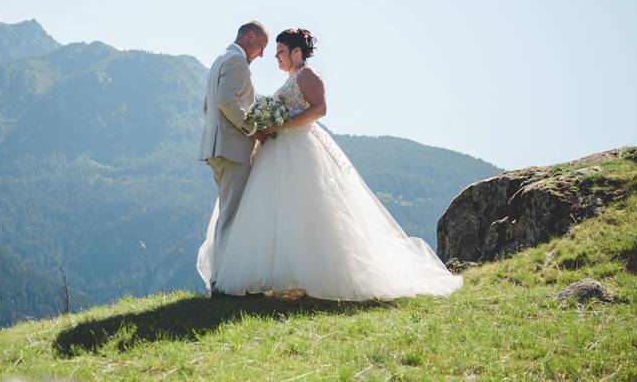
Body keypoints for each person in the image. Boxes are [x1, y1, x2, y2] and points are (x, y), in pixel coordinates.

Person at [197, 28, 462, 300]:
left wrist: (282, 123)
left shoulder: (308, 76)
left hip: (299, 147)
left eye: (280, 51)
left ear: (297, 52)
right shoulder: (288, 78)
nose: (274, 56)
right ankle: (274, 276)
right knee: (277, 212)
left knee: (307, 210)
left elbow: (319, 108)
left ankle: (312, 274)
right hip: (277, 150)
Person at [198, 21, 268, 297]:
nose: (261, 54)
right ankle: (223, 281)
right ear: (250, 37)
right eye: (261, 46)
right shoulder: (237, 61)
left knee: (227, 211)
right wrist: (253, 128)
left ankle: (223, 277)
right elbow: (227, 102)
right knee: (231, 215)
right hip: (232, 148)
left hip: (217, 147)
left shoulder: (220, 59)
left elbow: (208, 105)